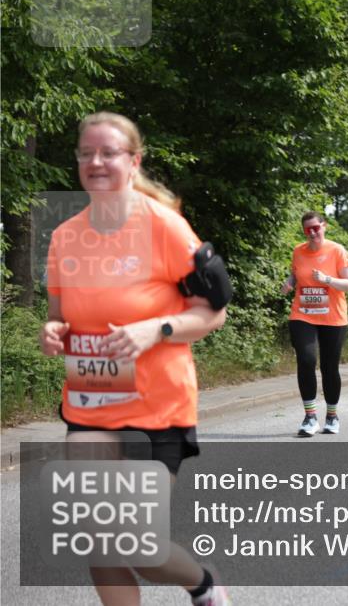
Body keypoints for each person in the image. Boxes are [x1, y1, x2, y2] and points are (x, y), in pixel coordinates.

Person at [39, 112, 231, 605]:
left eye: (109, 153)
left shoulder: (165, 227)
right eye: (87, 153)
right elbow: (61, 317)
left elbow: (214, 311)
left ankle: (204, 587)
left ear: (134, 160)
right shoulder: (64, 237)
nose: (96, 162)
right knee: (100, 542)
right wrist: (54, 332)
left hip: (155, 410)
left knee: (139, 546)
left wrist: (156, 328)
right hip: (89, 409)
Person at [282, 211, 348, 436]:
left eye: (316, 227)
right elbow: (296, 275)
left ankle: (332, 416)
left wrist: (328, 280)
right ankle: (310, 417)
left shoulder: (337, 251)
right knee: (306, 359)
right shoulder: (298, 251)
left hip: (333, 317)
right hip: (303, 314)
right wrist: (289, 282)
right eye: (308, 229)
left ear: (324, 226)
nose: (312, 232)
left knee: (329, 367)